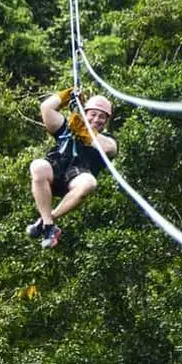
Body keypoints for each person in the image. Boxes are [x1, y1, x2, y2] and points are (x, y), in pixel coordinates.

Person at [26, 87, 118, 248]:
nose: (96, 119)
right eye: (93, 114)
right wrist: (67, 95)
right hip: (55, 169)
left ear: (107, 121)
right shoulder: (68, 127)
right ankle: (48, 226)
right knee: (37, 166)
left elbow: (107, 148)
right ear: (85, 113)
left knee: (89, 183)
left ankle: (47, 221)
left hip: (76, 176)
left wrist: (83, 130)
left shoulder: (108, 140)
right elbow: (46, 108)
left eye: (102, 117)